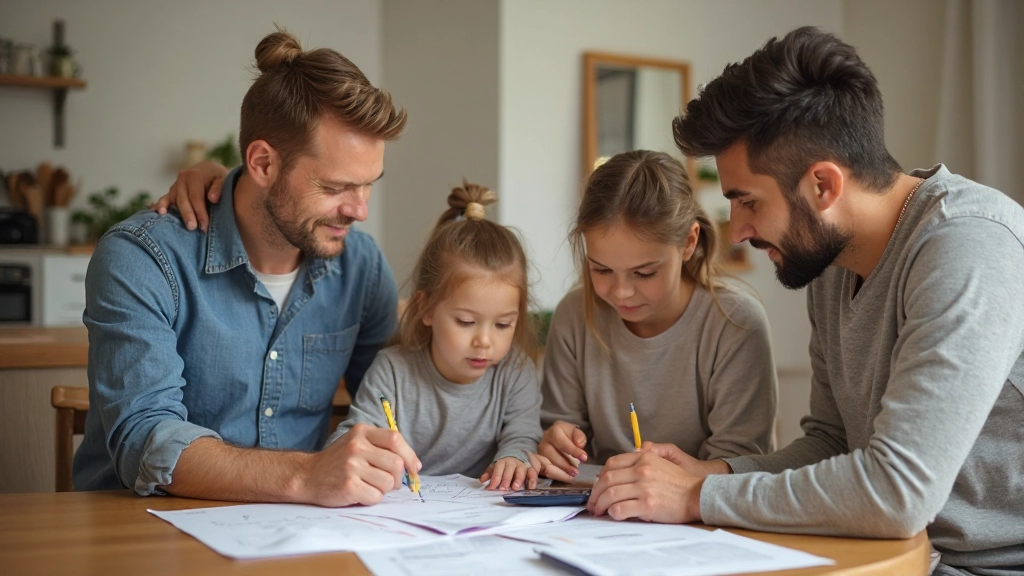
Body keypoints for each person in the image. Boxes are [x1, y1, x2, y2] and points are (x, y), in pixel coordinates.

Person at [588, 27, 1024, 576]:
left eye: (746, 201)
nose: (739, 231)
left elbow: (897, 492)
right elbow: (831, 442)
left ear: (823, 185)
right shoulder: (830, 263)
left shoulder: (970, 246)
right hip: (896, 558)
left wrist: (697, 498)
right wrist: (710, 473)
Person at [74, 28, 424, 508]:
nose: (359, 211)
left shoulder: (360, 269)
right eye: (336, 187)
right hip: (140, 529)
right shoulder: (142, 258)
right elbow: (145, 439)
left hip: (298, 534)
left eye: (368, 186)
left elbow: (398, 398)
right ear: (262, 163)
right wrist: (306, 475)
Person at [537, 150, 777, 483]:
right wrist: (555, 443)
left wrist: (670, 486)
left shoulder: (735, 322)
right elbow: (557, 432)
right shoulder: (574, 316)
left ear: (688, 242)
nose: (621, 292)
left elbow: (740, 464)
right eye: (602, 269)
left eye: (644, 273)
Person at [331, 182, 543, 492]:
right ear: (426, 308)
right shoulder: (392, 370)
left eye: (503, 325)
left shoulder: (516, 373)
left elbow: (523, 437)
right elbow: (350, 439)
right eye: (466, 321)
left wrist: (514, 458)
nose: (484, 341)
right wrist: (359, 455)